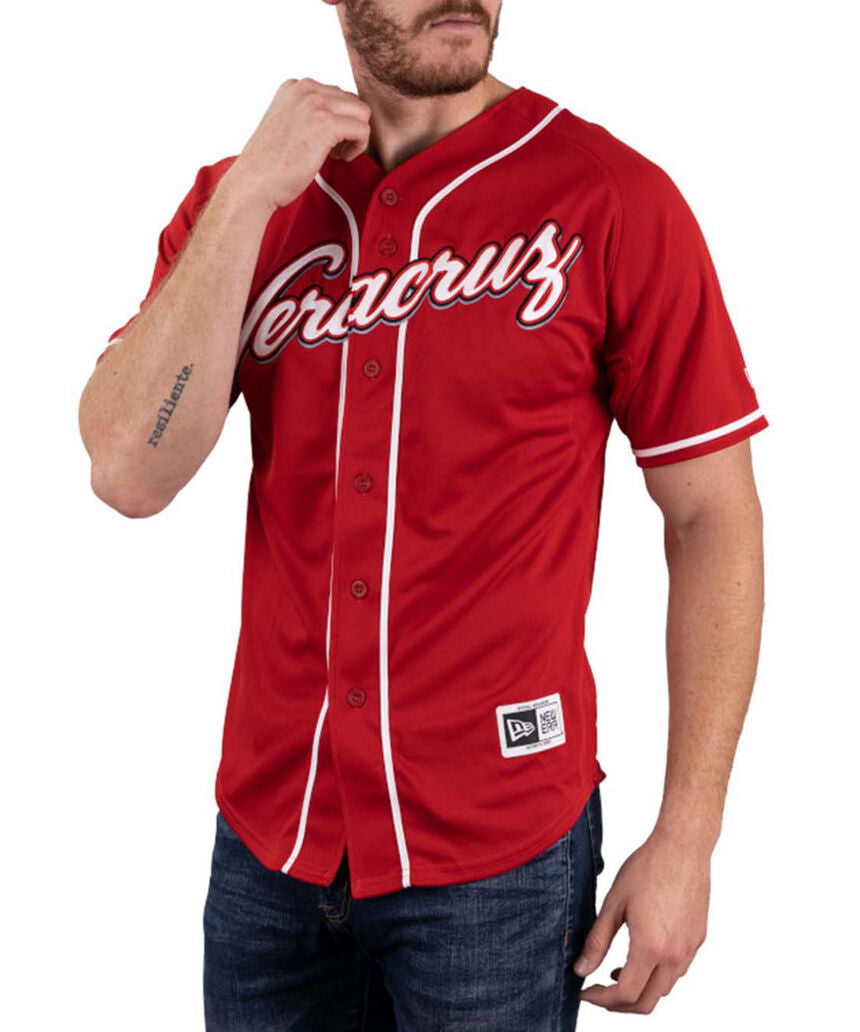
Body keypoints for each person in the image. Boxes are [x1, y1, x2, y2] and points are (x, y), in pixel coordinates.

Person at [78, 1, 767, 1028]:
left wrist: (688, 835)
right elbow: (128, 471)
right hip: (272, 845)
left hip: (498, 860)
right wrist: (250, 195)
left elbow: (712, 516)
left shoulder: (611, 198)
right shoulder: (244, 203)